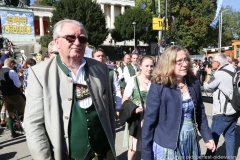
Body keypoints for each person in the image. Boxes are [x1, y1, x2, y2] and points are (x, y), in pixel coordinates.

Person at [24, 19, 116, 160]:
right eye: (70, 37)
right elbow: (33, 125)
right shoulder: (39, 73)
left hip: (103, 153)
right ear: (56, 42)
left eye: (82, 39)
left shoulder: (101, 69)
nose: (77, 42)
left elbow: (109, 110)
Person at [142, 46, 215, 160]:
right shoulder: (158, 85)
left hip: (190, 141)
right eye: (179, 61)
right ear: (169, 63)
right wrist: (146, 154)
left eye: (186, 60)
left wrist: (207, 137)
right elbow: (149, 122)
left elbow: (200, 111)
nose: (185, 64)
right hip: (167, 146)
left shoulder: (193, 82)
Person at [204, 53, 239, 160]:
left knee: (213, 137)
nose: (211, 63)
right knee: (230, 135)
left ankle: (209, 157)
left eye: (212, 61)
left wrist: (208, 73)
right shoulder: (235, 69)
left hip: (222, 113)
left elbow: (207, 87)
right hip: (235, 109)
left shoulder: (219, 74)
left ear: (218, 63)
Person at [121, 56, 154, 160]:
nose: (149, 68)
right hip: (137, 118)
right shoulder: (133, 80)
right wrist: (134, 109)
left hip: (151, 116)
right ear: (140, 66)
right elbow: (124, 101)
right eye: (147, 66)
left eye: (151, 66)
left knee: (149, 147)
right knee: (133, 148)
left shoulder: (155, 81)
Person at [92, 47, 122, 118]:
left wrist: (118, 107)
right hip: (93, 108)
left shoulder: (111, 72)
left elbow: (117, 90)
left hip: (108, 106)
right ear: (93, 58)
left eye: (103, 56)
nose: (101, 58)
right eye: (98, 56)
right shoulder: (89, 72)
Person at [0, 58, 25, 138]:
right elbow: (18, 85)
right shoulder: (11, 72)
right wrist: (21, 79)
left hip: (5, 95)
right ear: (11, 64)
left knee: (10, 113)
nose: (13, 67)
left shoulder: (0, 71)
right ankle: (29, 130)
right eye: (13, 65)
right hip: (14, 95)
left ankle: (13, 132)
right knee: (26, 110)